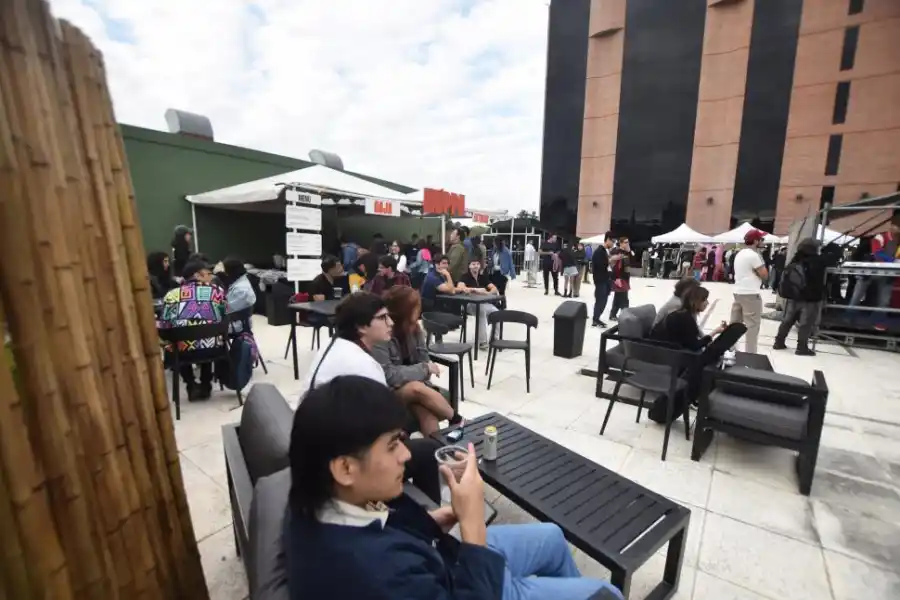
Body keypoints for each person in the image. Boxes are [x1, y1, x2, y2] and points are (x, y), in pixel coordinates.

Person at [285, 375, 624, 600]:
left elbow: (388, 524)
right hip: (470, 586)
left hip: (447, 561)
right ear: (345, 467)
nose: (406, 454)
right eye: (392, 445)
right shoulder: (376, 574)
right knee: (607, 593)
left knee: (550, 535)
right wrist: (473, 524)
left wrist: (441, 518)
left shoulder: (323, 495)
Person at [298, 293, 444, 505]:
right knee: (426, 452)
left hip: (322, 447)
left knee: (418, 410)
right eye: (383, 318)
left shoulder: (334, 346)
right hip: (337, 464)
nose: (391, 322)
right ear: (361, 327)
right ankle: (428, 517)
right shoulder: (364, 366)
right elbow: (381, 427)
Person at [372, 287, 459, 435]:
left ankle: (435, 451)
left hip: (418, 388)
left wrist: (423, 370)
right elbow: (389, 375)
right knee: (415, 388)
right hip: (390, 393)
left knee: (426, 413)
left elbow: (425, 359)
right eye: (416, 307)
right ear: (404, 312)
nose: (419, 310)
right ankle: (458, 420)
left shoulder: (416, 330)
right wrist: (423, 369)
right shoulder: (382, 335)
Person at [157, 259, 226, 401]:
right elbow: (225, 317)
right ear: (197, 275)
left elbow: (164, 327)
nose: (211, 276)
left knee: (174, 342)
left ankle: (190, 384)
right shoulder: (217, 291)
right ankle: (206, 383)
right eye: (208, 273)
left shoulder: (171, 295)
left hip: (181, 353)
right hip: (214, 349)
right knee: (207, 337)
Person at [774, 238, 833, 356]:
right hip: (811, 298)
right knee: (806, 323)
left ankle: (779, 342)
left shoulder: (795, 260)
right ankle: (802, 347)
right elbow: (832, 258)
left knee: (787, 321)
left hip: (794, 297)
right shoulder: (818, 261)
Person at [650, 286, 726, 351]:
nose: (707, 303)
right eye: (704, 300)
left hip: (664, 349)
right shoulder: (685, 318)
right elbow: (695, 346)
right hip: (667, 353)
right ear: (696, 301)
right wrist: (715, 332)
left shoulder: (682, 314)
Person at [730, 229, 768, 353]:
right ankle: (751, 355)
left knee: (734, 325)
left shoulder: (740, 253)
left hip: (738, 292)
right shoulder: (754, 255)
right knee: (752, 327)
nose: (763, 241)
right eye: (761, 239)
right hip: (751, 294)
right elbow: (764, 275)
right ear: (756, 241)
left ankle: (729, 349)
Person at [457, 258, 500, 350]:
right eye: (473, 264)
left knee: (497, 313)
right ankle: (482, 341)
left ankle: (494, 339)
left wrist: (486, 293)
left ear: (480, 266)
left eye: (477, 264)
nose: (475, 266)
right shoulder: (465, 277)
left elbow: (494, 289)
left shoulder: (482, 277)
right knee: (481, 311)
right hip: (469, 304)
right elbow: (461, 288)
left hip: (483, 303)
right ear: (469, 266)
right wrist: (477, 290)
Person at [221, 257, 256, 334]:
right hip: (236, 321)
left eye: (224, 271)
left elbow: (226, 309)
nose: (224, 274)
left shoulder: (241, 290)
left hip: (235, 325)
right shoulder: (240, 281)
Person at [591, 233, 616, 328]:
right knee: (600, 300)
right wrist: (610, 261)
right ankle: (595, 319)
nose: (613, 244)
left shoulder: (605, 251)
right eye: (612, 241)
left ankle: (597, 318)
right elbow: (600, 266)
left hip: (605, 279)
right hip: (600, 280)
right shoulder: (599, 252)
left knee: (603, 300)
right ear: (608, 240)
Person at [608, 238, 632, 321]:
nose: (627, 244)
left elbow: (631, 261)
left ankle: (613, 314)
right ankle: (625, 315)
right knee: (624, 298)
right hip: (620, 278)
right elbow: (615, 267)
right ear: (621, 243)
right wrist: (616, 278)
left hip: (625, 277)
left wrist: (629, 251)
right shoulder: (617, 251)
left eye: (628, 242)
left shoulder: (626, 252)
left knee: (618, 297)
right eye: (625, 242)